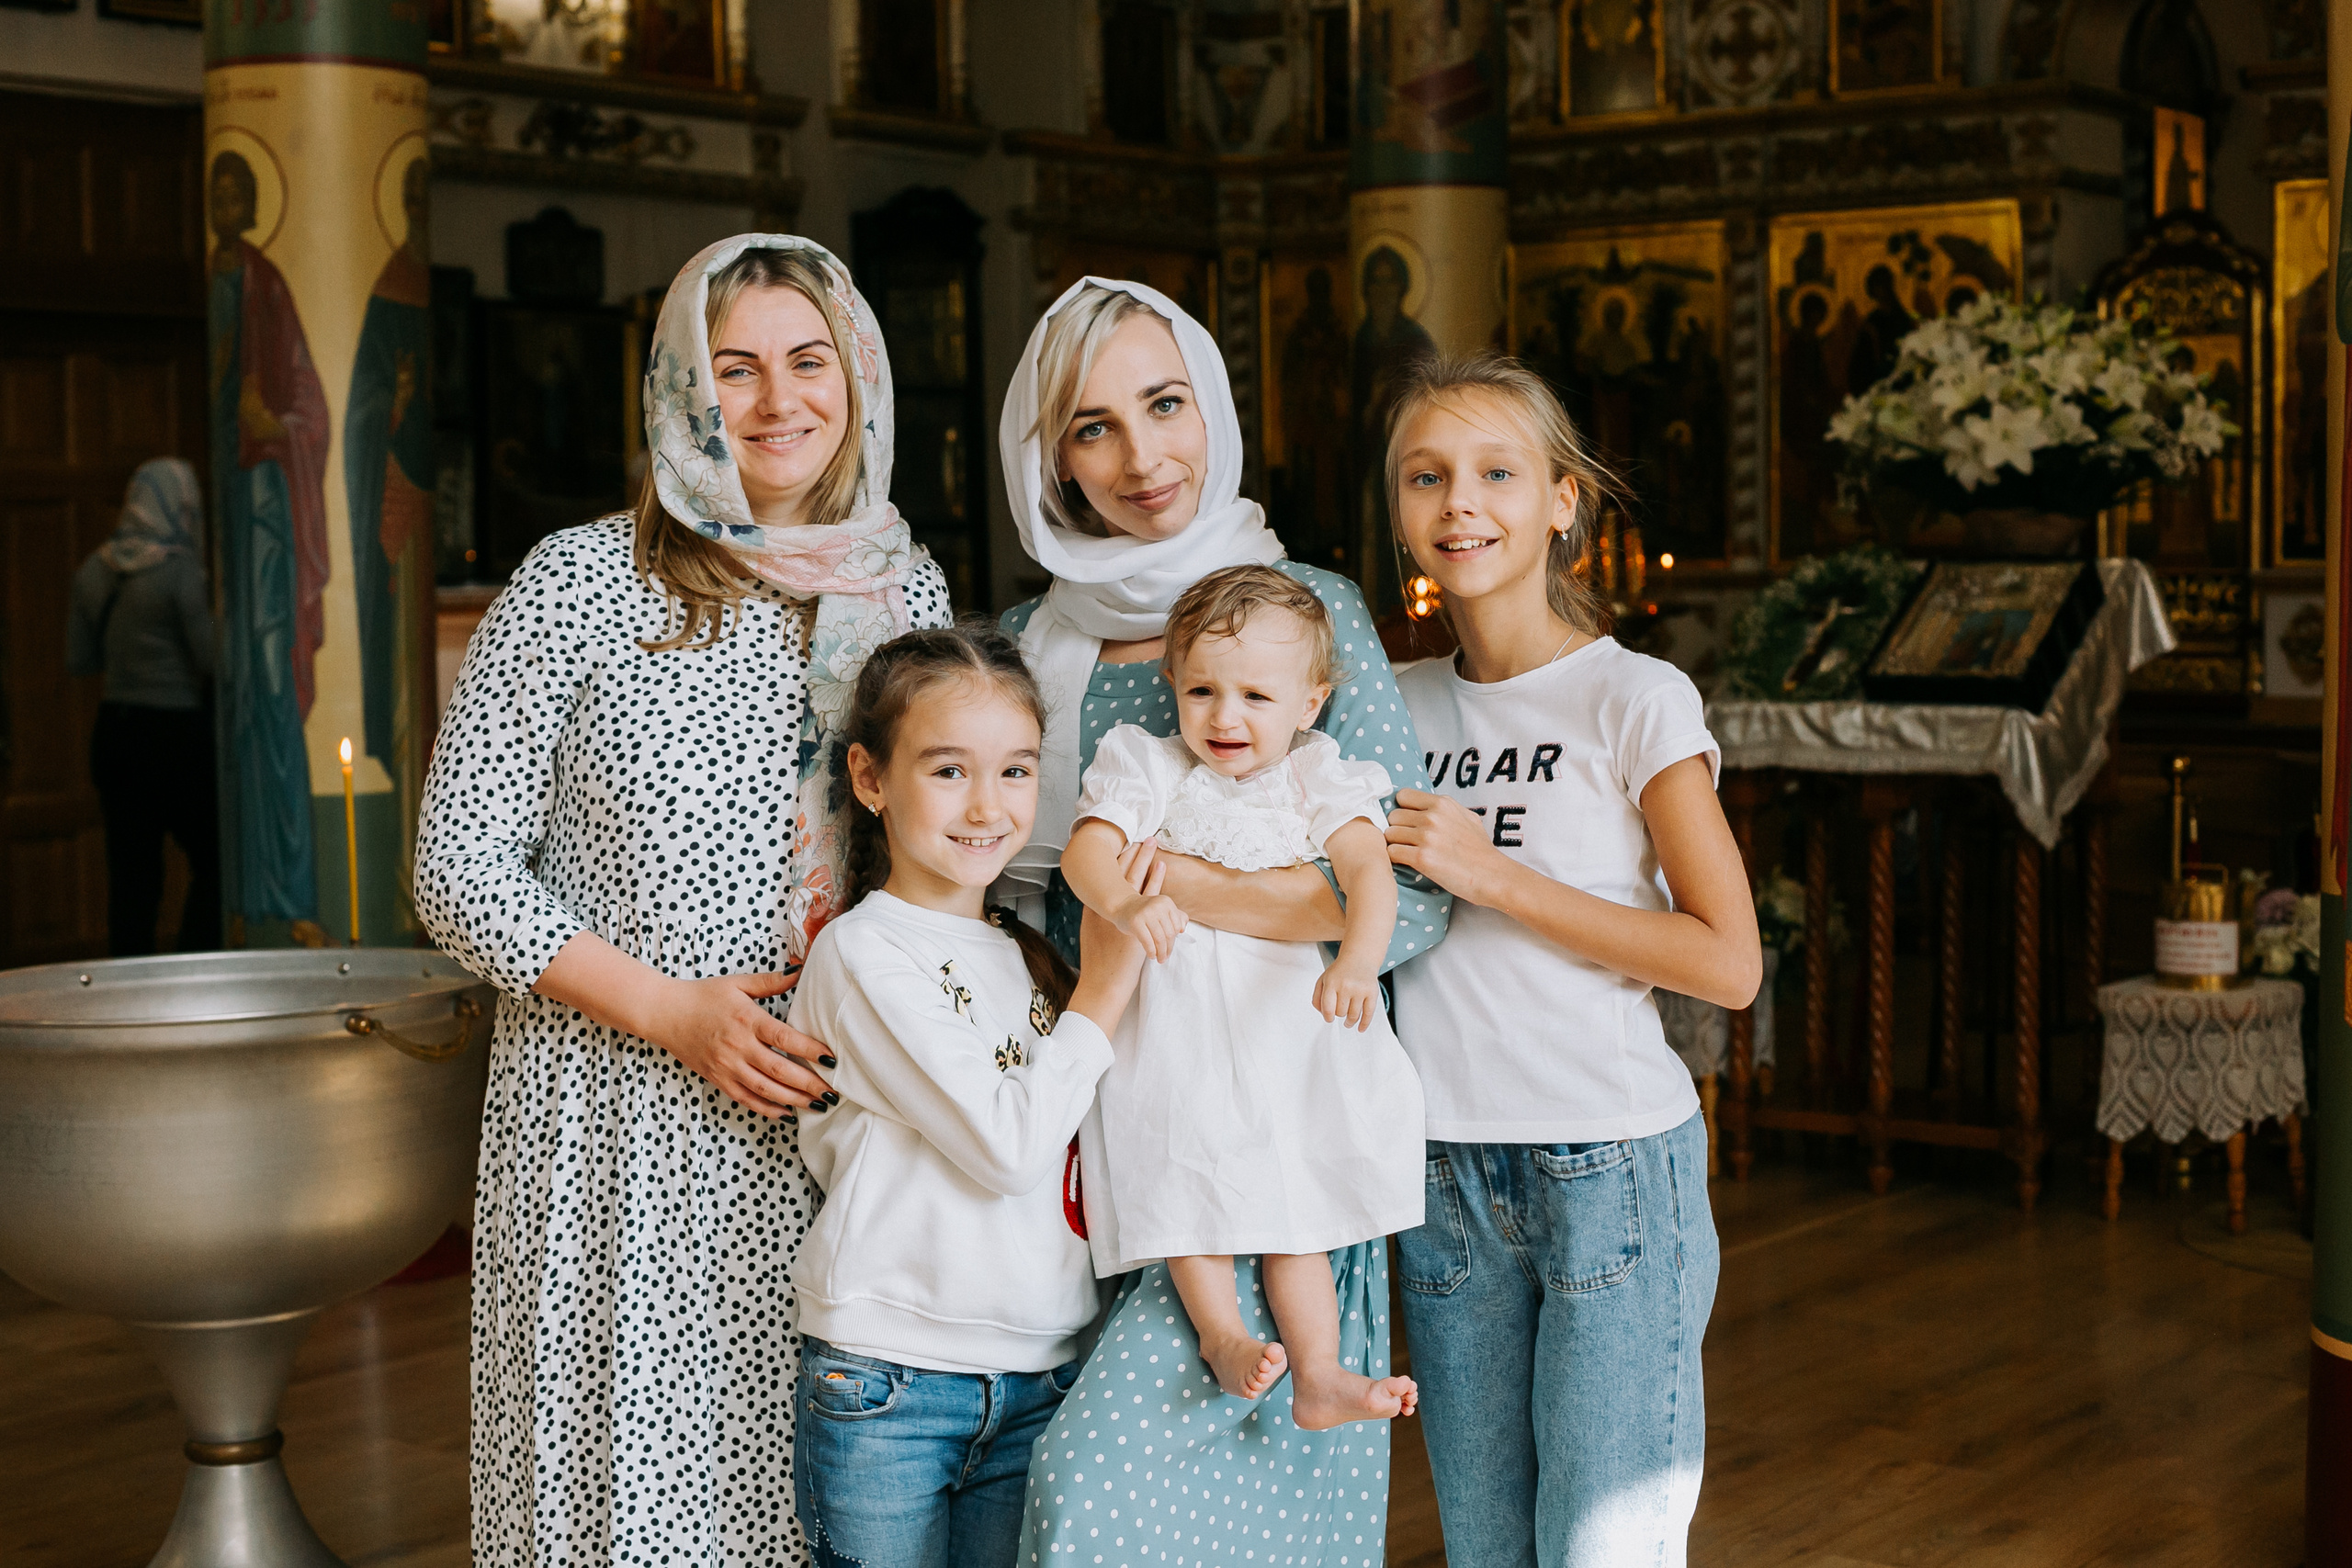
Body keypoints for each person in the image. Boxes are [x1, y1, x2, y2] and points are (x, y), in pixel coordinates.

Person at [413, 234, 949, 1566]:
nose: (774, 402)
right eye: (734, 368)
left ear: (860, 374)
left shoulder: (905, 588)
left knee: (807, 1493)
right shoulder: (580, 580)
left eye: (807, 361)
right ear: (677, 389)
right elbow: (457, 867)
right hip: (618, 1120)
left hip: (828, 1117)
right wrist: (671, 1011)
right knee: (630, 1496)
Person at [1000, 276, 1449, 1562]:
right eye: (1091, 426)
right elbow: (1001, 876)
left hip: (1267, 1135)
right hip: (1071, 1126)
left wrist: (1194, 894)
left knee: (1103, 1508)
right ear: (1050, 457)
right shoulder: (1030, 639)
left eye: (1164, 402)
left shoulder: (1309, 611)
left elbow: (1403, 883)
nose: (1141, 457)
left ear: (1214, 404)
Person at [1381, 354, 1760, 1567]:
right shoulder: (1382, 706)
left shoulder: (1635, 698)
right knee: (1488, 1548)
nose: (1459, 504)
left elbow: (1728, 960)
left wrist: (1495, 877)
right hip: (1438, 1176)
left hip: (1610, 1168)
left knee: (1605, 1547)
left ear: (1561, 499)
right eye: (1424, 476)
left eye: (1497, 471)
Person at [787, 623, 1150, 1567]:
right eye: (948, 771)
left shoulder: (1025, 952)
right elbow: (1007, 1147)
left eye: (1016, 771)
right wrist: (1106, 991)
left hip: (1041, 1375)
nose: (988, 806)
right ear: (870, 780)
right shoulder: (865, 954)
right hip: (889, 1384)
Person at [1058, 563, 1425, 1428]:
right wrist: (1127, 897)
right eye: (1202, 689)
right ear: (1172, 686)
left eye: (1256, 695)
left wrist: (1358, 962)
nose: (1225, 717)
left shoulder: (1318, 773)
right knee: (1183, 1172)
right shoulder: (1146, 762)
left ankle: (1323, 1372)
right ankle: (1222, 1335)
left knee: (1298, 1201)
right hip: (1175, 1021)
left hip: (1285, 1027)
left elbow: (1371, 875)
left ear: (1309, 702)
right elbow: (1085, 853)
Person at [66, 457, 221, 955]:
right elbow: (211, 658)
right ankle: (195, 969)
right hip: (174, 735)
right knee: (216, 860)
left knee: (132, 874)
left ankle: (127, 989)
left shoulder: (93, 569)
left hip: (115, 732)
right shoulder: (178, 570)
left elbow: (79, 658)